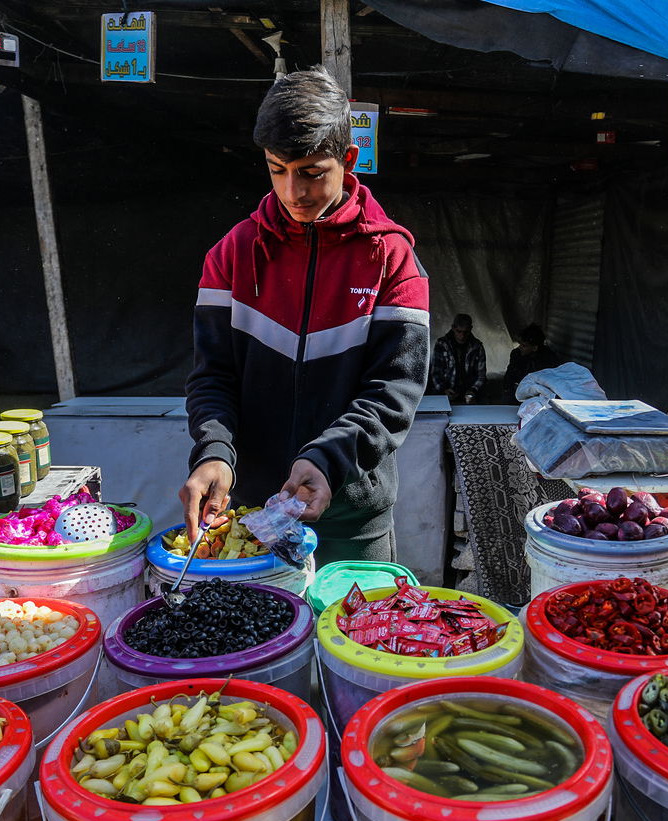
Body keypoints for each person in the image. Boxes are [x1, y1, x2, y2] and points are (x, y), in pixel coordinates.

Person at [180, 66, 430, 564]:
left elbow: (393, 392)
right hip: (252, 513)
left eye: (312, 172)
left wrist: (326, 459)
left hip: (352, 517)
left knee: (356, 616)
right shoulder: (231, 254)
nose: (294, 192)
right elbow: (212, 376)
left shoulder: (392, 258)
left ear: (348, 159)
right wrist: (214, 452)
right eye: (278, 169)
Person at [429, 313, 486, 403]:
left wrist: (473, 390)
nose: (462, 336)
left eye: (465, 332)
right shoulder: (442, 344)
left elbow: (481, 375)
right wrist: (444, 390)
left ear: (470, 329)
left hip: (469, 394)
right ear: (453, 328)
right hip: (444, 393)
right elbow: (435, 372)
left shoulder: (477, 346)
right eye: (459, 331)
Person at [502, 322, 561, 400]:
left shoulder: (548, 358)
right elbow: (509, 377)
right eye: (520, 344)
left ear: (534, 348)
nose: (520, 347)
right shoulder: (516, 354)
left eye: (524, 346)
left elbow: (548, 383)